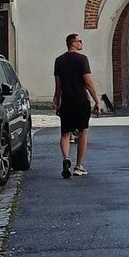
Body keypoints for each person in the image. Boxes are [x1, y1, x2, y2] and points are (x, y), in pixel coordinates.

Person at [53, 33, 101, 178]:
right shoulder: (82, 59)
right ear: (73, 43)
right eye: (79, 41)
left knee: (65, 133)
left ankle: (66, 158)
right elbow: (88, 82)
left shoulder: (59, 60)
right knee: (82, 131)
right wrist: (97, 100)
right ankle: (78, 166)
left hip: (66, 100)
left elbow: (58, 85)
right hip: (81, 100)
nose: (81, 43)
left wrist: (57, 101)